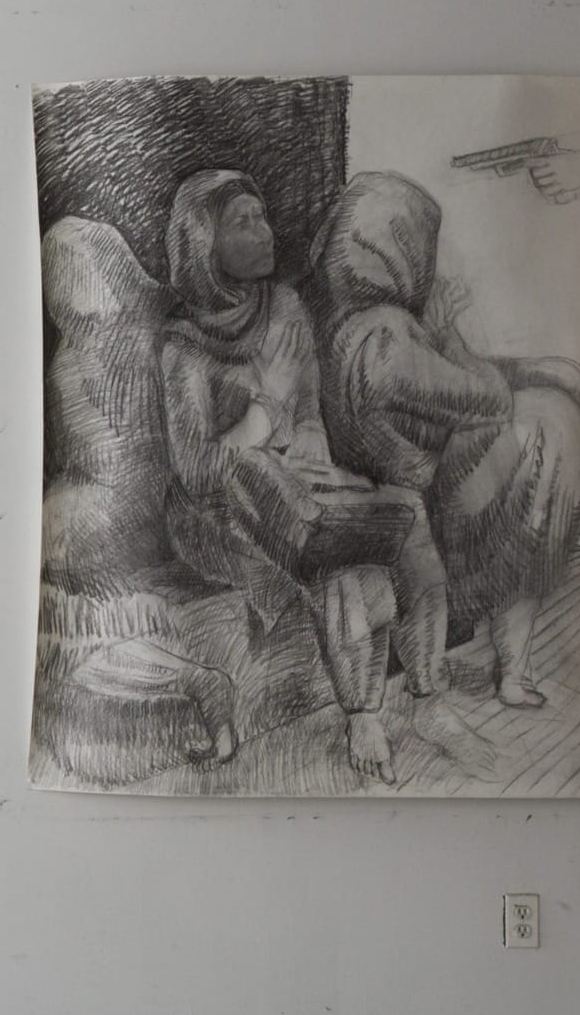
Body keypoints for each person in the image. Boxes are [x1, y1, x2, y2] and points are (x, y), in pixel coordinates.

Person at [156, 169, 481, 784]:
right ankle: (363, 715)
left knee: (405, 519)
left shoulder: (285, 306)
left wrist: (309, 457)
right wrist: (267, 409)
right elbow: (198, 472)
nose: (266, 231)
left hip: (293, 482)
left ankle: (430, 690)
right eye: (243, 222)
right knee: (340, 556)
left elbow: (308, 417)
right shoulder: (182, 345)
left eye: (264, 216)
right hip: (217, 511)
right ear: (202, 241)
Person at [311, 171, 580, 710]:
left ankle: (513, 661)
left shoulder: (359, 323)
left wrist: (533, 369)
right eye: (418, 242)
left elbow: (462, 388)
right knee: (553, 434)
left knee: (557, 399)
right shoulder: (386, 339)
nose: (427, 260)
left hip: (436, 487)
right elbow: (485, 398)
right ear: (395, 247)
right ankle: (513, 663)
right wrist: (447, 332)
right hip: (430, 514)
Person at [33, 216, 237, 778]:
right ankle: (196, 683)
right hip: (124, 516)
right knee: (63, 636)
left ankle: (197, 681)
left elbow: (106, 457)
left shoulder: (95, 350)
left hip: (103, 521)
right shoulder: (148, 331)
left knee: (66, 636)